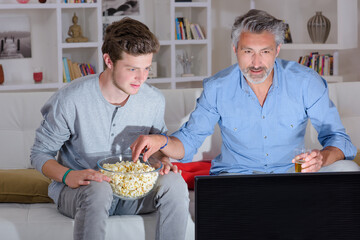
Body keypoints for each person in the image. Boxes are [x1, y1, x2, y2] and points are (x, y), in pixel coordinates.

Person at [131, 9, 360, 175]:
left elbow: (339, 139)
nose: (256, 62)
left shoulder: (306, 82)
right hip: (236, 177)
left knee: (348, 169)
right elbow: (189, 141)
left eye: (265, 52)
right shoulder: (217, 87)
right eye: (248, 51)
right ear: (235, 50)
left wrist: (322, 158)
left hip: (292, 175)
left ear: (277, 50)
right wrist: (160, 141)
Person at [31, 17, 189, 240]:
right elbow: (39, 154)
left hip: (134, 193)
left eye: (146, 68)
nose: (141, 78)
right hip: (82, 193)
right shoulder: (70, 99)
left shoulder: (154, 100)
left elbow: (158, 148)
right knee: (99, 188)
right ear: (109, 60)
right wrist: (68, 175)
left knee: (175, 183)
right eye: (132, 68)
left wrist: (162, 162)